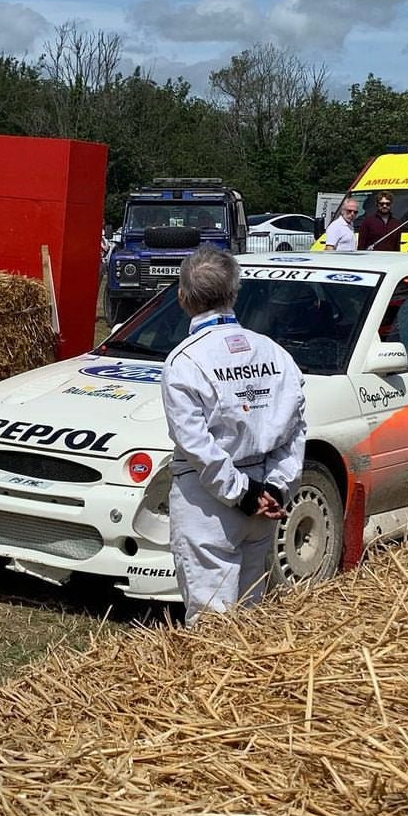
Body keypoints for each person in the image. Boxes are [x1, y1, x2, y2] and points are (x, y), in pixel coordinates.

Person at [161, 245, 307, 627]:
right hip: (263, 502)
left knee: (212, 625)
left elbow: (196, 446)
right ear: (234, 293)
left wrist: (243, 493)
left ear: (183, 297)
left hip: (209, 505)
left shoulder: (183, 362)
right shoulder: (276, 354)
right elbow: (294, 432)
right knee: (250, 617)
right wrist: (275, 487)